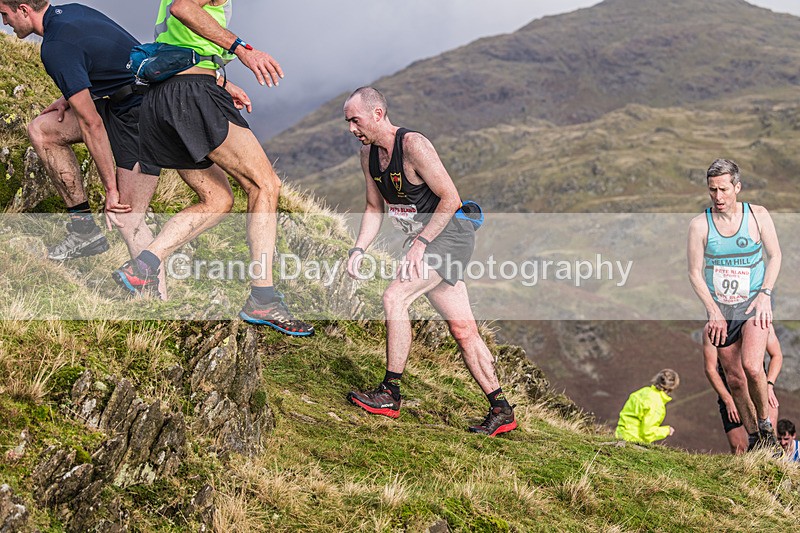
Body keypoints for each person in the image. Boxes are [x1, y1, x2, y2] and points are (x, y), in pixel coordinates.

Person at [112, 0, 313, 335]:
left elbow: (182, 40)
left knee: (218, 200)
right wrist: (244, 50)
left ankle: (144, 266)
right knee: (265, 185)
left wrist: (220, 81)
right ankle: (263, 297)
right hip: (191, 95)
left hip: (163, 98)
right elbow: (183, 7)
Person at [342, 87, 516, 437]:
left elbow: (450, 198)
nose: (351, 129)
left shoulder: (413, 145)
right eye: (347, 122)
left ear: (377, 114)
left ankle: (390, 393)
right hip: (426, 242)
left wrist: (420, 243)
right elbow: (375, 207)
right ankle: (502, 409)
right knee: (463, 329)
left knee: (395, 297)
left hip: (448, 237)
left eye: (355, 120)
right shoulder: (367, 156)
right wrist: (358, 249)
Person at [0, 1, 164, 284]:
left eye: (5, 14)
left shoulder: (55, 46)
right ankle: (84, 229)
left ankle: (157, 303)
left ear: (24, 10)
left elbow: (92, 125)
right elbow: (108, 58)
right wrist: (69, 95)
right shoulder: (73, 11)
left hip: (142, 115)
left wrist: (110, 190)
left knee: (127, 217)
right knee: (42, 130)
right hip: (119, 101)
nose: (4, 23)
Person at [687, 158, 781, 447]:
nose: (718, 197)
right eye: (712, 190)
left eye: (724, 189)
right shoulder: (700, 225)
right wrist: (713, 311)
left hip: (754, 302)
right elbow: (694, 273)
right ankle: (755, 438)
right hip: (723, 310)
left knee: (753, 367)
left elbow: (775, 256)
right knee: (735, 379)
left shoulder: (758, 216)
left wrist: (765, 294)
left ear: (737, 187)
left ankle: (766, 427)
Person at [703, 326, 783, 453]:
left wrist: (769, 385)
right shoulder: (712, 328)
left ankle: (776, 470)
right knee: (738, 446)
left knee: (770, 439)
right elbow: (710, 369)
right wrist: (728, 400)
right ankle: (746, 469)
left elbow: (776, 355)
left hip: (760, 389)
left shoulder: (759, 321)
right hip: (731, 391)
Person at [616, 369, 679, 444]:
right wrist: (666, 430)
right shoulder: (657, 404)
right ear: (672, 388)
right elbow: (647, 433)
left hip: (619, 435)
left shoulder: (643, 391)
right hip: (634, 440)